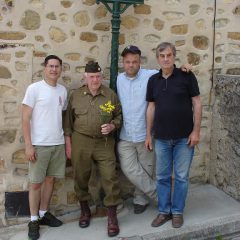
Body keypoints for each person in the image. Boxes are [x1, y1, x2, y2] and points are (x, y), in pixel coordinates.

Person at [117, 45, 192, 214]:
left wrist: (183, 68)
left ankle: (140, 199)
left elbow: (168, 70)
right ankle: (160, 196)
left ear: (139, 62)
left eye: (134, 61)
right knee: (129, 168)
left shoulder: (151, 76)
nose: (131, 65)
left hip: (146, 134)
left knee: (146, 169)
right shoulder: (118, 79)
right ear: (123, 63)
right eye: (127, 62)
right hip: (126, 134)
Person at [145, 42, 202, 228]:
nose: (166, 59)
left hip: (184, 138)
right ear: (158, 58)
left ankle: (177, 212)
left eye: (169, 55)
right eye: (162, 56)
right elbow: (151, 107)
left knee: (181, 177)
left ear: (174, 57)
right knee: (162, 176)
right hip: (161, 138)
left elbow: (197, 104)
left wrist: (196, 131)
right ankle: (164, 212)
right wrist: (148, 134)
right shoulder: (153, 80)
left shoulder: (186, 76)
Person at [64, 61, 122, 237]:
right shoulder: (76, 95)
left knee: (110, 176)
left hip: (104, 143)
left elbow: (119, 116)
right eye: (91, 77)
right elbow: (68, 123)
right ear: (85, 77)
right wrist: (69, 145)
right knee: (80, 176)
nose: (95, 80)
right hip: (81, 141)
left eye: (98, 76)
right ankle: (85, 210)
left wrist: (112, 126)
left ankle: (112, 216)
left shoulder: (110, 95)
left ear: (101, 77)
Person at [22, 55, 68, 240]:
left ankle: (43, 214)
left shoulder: (63, 91)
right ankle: (33, 220)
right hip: (39, 144)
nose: (54, 69)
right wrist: (28, 145)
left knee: (50, 181)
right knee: (35, 183)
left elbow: (61, 116)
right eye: (50, 66)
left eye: (57, 66)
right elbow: (25, 118)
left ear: (61, 69)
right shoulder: (34, 89)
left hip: (57, 143)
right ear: (44, 68)